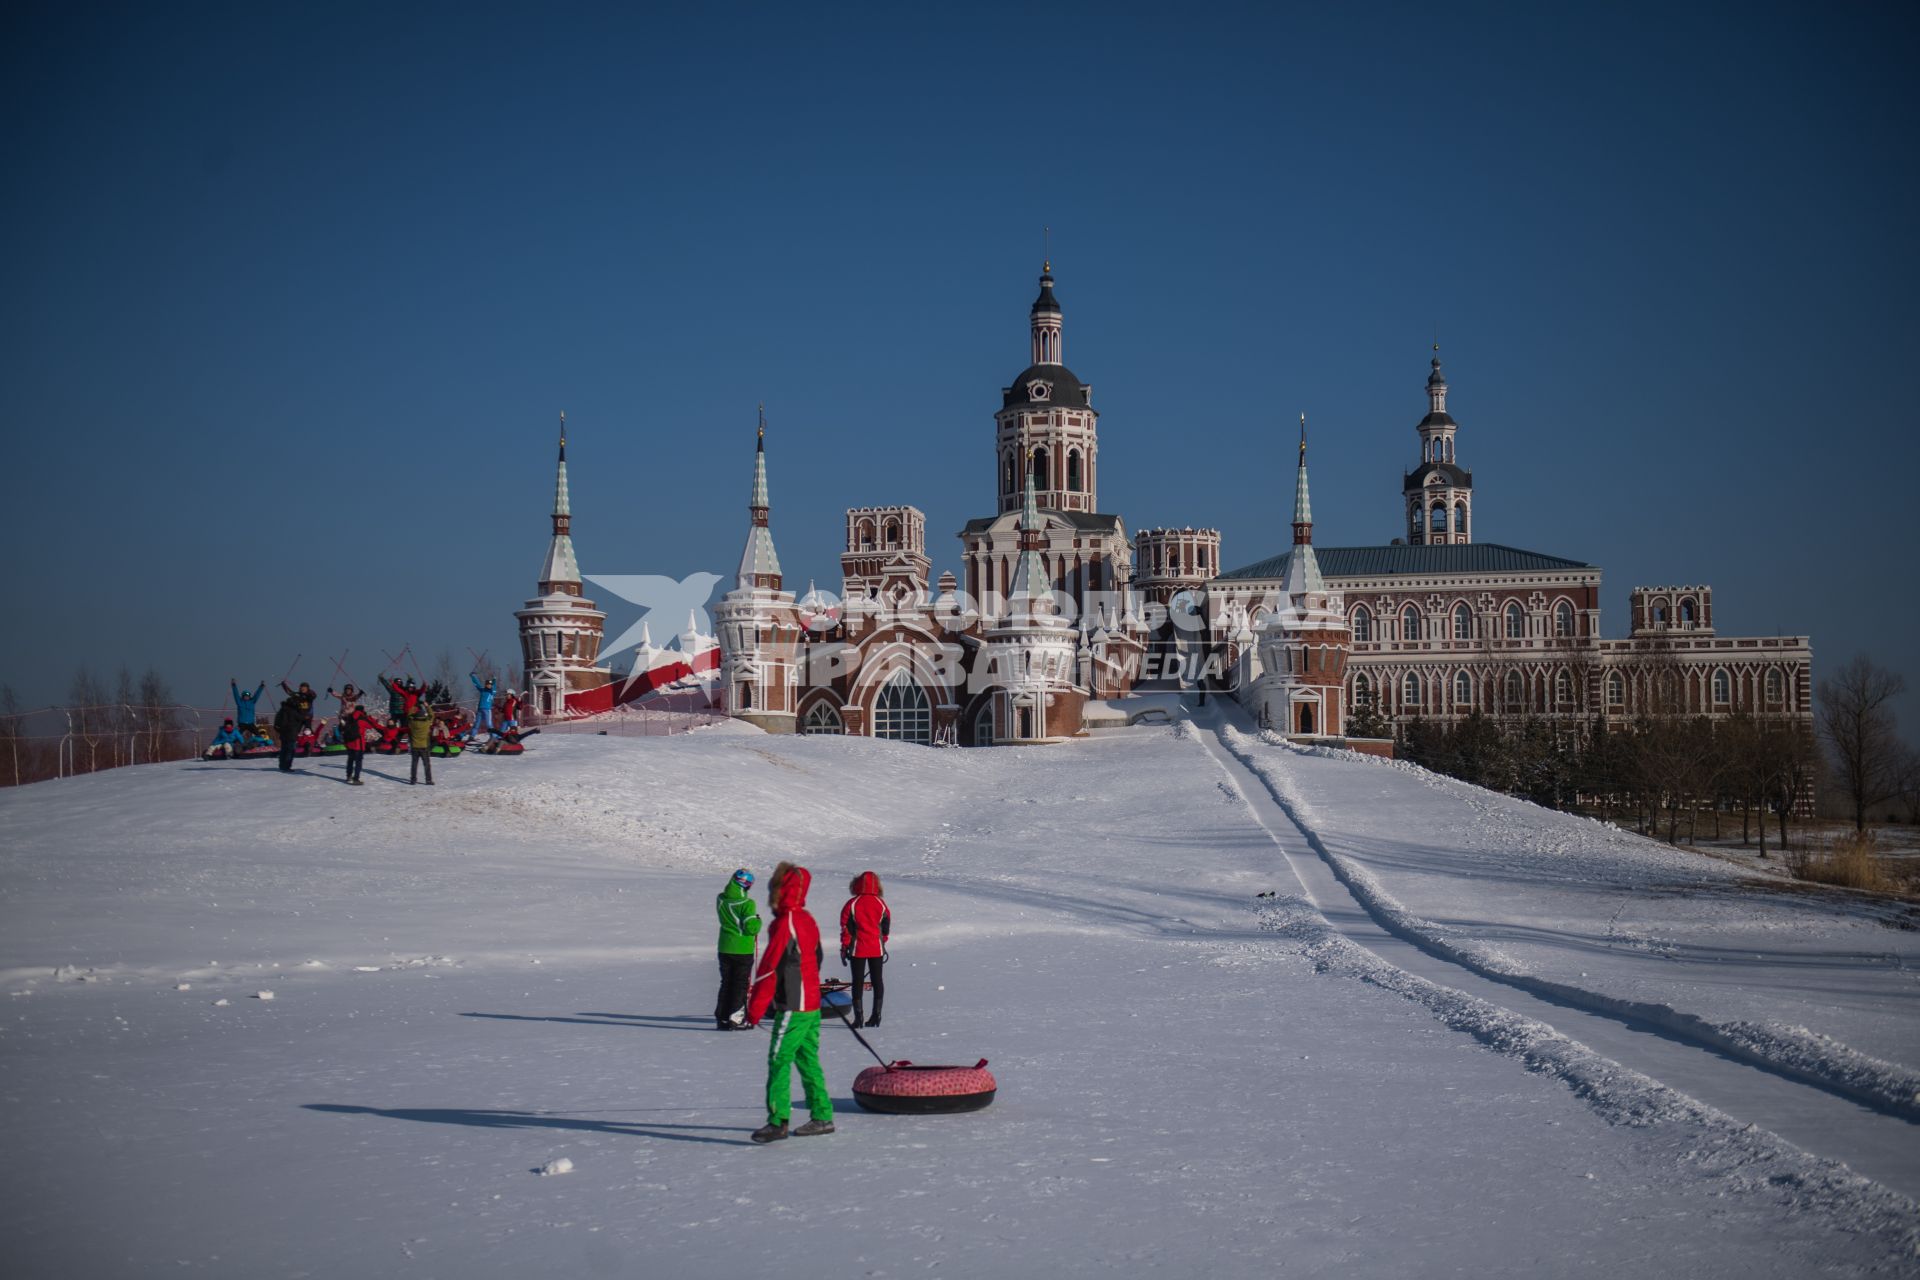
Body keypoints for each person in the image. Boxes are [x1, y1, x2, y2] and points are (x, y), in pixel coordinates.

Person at [743, 862, 833, 1143]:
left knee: (779, 1060)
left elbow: (769, 968)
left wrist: (754, 1009)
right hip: (811, 1005)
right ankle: (822, 1115)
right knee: (808, 1060)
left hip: (794, 1005)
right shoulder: (807, 919)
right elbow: (816, 957)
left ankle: (778, 1120)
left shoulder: (786, 923)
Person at [839, 871, 892, 1029]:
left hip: (857, 949)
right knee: (877, 981)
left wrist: (845, 947)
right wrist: (882, 942)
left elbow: (846, 928)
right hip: (876, 948)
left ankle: (858, 1018)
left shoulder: (852, 903)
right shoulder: (880, 903)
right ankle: (876, 1015)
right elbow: (886, 927)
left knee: (858, 982)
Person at [715, 869, 762, 1030]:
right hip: (742, 948)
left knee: (726, 982)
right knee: (740, 984)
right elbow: (751, 928)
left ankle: (722, 1017)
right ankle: (737, 1017)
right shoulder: (747, 904)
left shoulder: (721, 899)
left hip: (724, 947)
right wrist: (757, 922)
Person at [274, 683, 316, 773]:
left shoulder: (309, 696)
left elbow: (314, 695)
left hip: (305, 718)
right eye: (301, 687)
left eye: (304, 688)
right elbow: (290, 692)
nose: (302, 689)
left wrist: (307, 692)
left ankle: (283, 765)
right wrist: (284, 685)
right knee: (289, 747)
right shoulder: (295, 701)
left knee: (286, 746)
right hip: (297, 721)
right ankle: (286, 765)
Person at [337, 703, 376, 785]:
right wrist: (369, 717)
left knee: (350, 760)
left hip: (349, 743)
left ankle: (348, 776)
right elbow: (370, 726)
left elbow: (341, 728)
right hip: (358, 744)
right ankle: (356, 779)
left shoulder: (349, 717)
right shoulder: (362, 718)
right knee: (358, 762)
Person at [405, 697, 435, 784]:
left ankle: (413, 779)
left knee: (414, 764)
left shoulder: (412, 723)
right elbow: (432, 715)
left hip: (414, 746)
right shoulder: (426, 723)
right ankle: (428, 780)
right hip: (424, 746)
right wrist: (427, 706)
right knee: (426, 764)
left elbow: (409, 715)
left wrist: (414, 706)